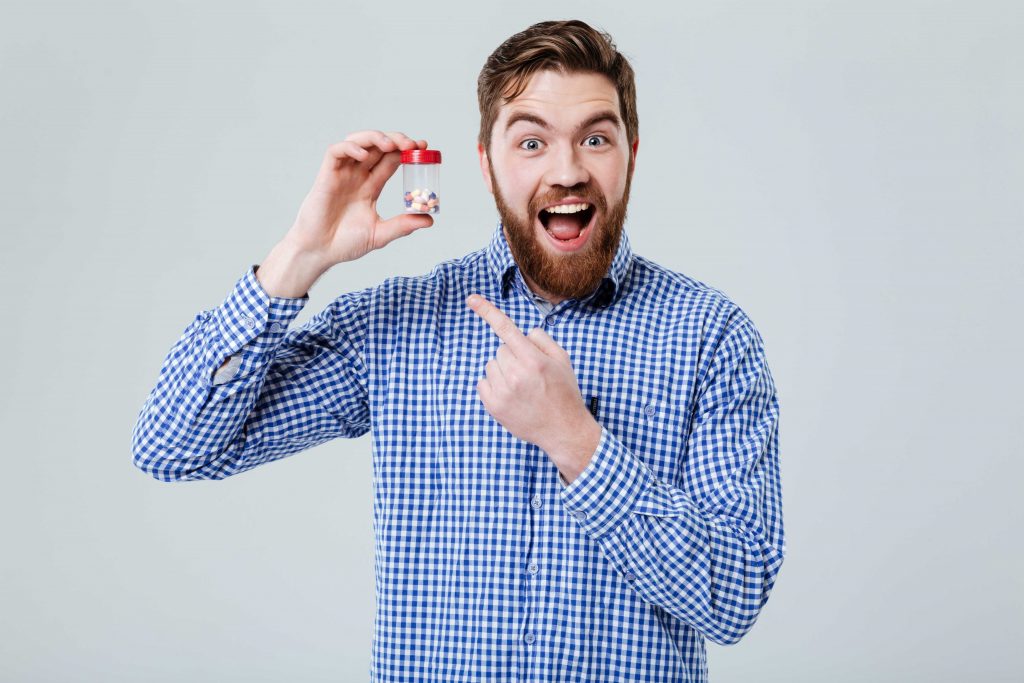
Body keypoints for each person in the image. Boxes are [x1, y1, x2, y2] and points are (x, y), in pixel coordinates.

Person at [132, 19, 786, 682]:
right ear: (486, 164)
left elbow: (733, 599)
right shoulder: (399, 324)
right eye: (531, 141)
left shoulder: (713, 338)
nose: (567, 171)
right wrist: (297, 258)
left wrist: (577, 442)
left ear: (632, 154)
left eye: (596, 138)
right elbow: (174, 446)